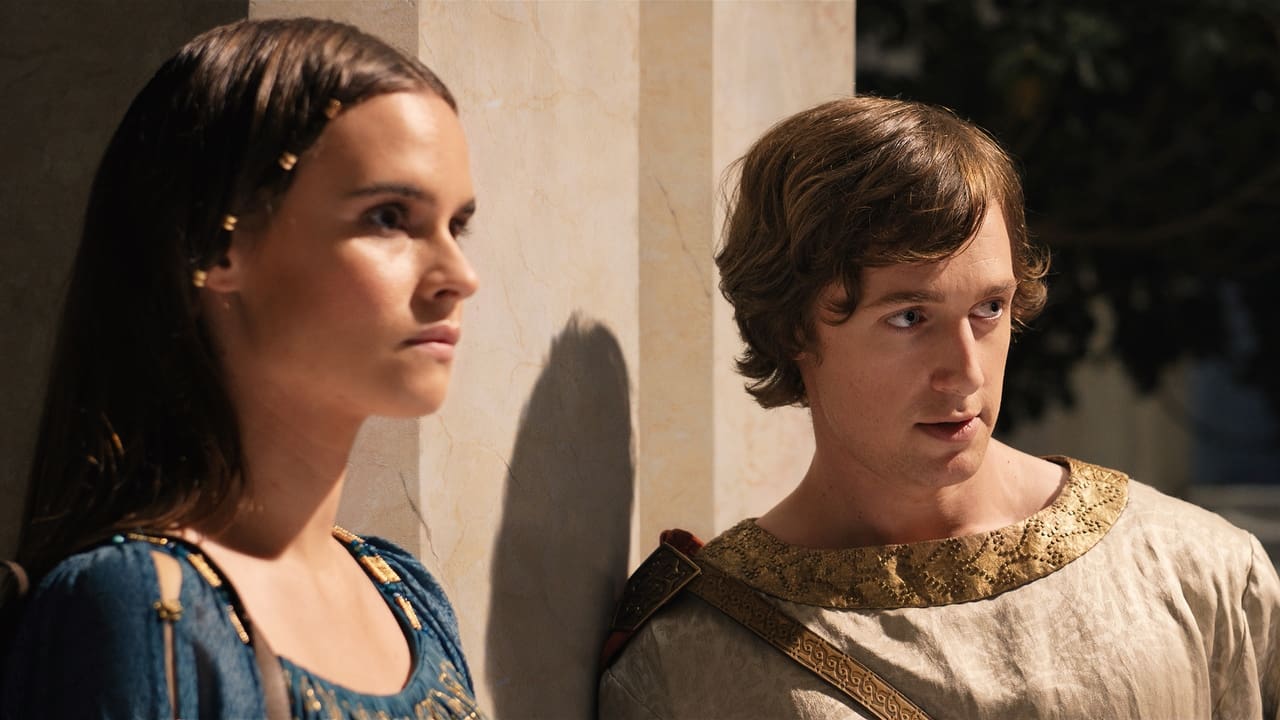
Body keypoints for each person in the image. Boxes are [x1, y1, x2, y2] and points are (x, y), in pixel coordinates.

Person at [598, 96, 1280, 719]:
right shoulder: (688, 656)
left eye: (990, 308)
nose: (965, 372)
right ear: (792, 329)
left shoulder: (1200, 573)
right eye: (910, 316)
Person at [1, 18, 484, 719]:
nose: (459, 276)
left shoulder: (405, 593)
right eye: (388, 217)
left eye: (457, 225)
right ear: (213, 244)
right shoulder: (143, 603)